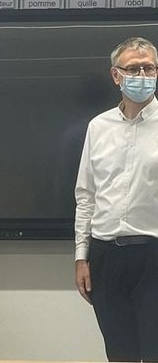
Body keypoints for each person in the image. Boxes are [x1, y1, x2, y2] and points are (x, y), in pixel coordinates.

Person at [75, 37, 158, 362]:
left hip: (153, 253)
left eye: (149, 68)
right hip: (106, 255)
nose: (142, 75)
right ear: (116, 75)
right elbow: (86, 195)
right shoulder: (98, 127)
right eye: (133, 69)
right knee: (120, 353)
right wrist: (81, 257)